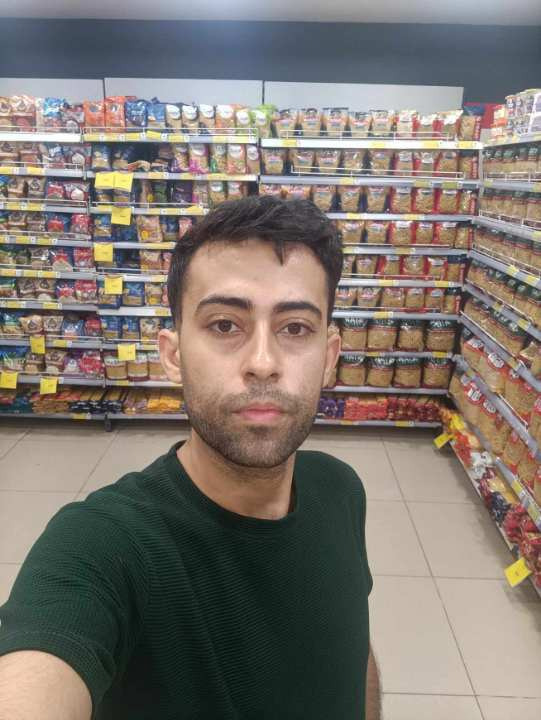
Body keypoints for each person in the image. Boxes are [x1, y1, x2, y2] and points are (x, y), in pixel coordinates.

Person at [0, 195, 379, 720]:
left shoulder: (341, 490)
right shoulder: (103, 546)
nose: (263, 363)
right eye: (224, 325)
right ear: (173, 355)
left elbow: (353, 654)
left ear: (330, 356)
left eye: (295, 328)